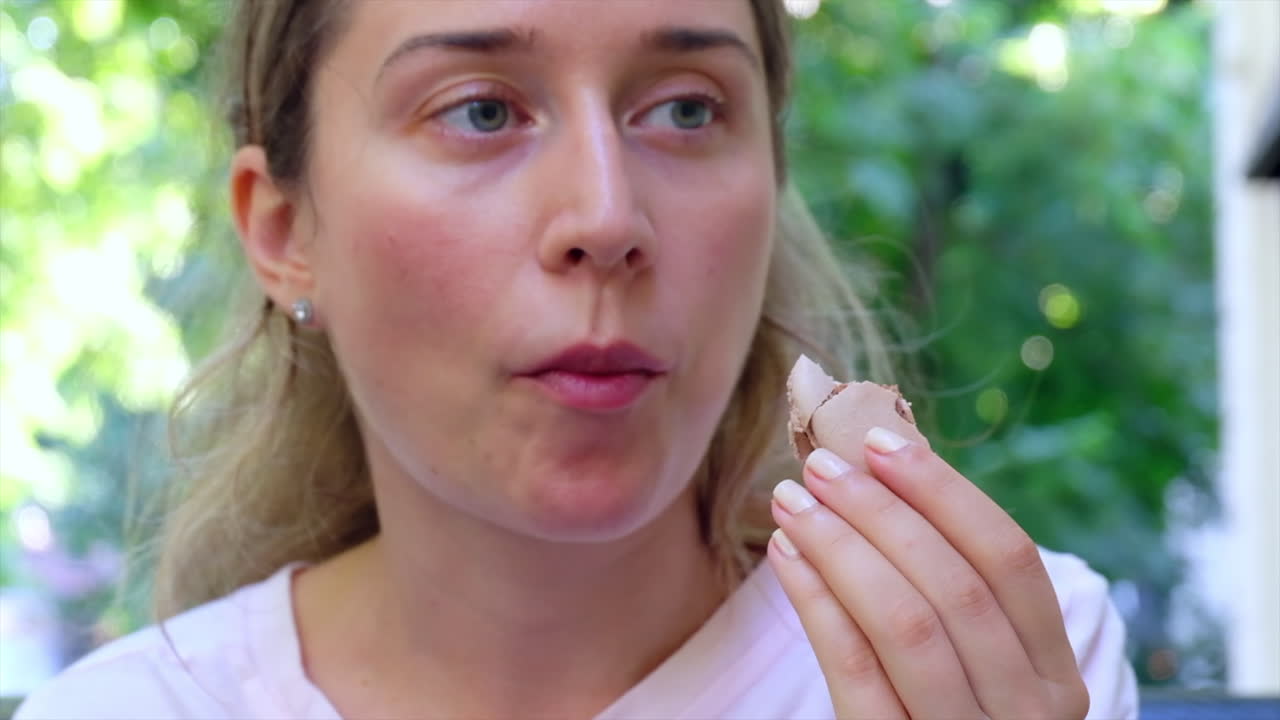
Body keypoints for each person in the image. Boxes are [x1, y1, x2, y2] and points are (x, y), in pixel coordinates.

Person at [16, 1, 1138, 718]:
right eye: (479, 112)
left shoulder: (994, 657)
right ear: (283, 231)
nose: (606, 217)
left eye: (686, 109)